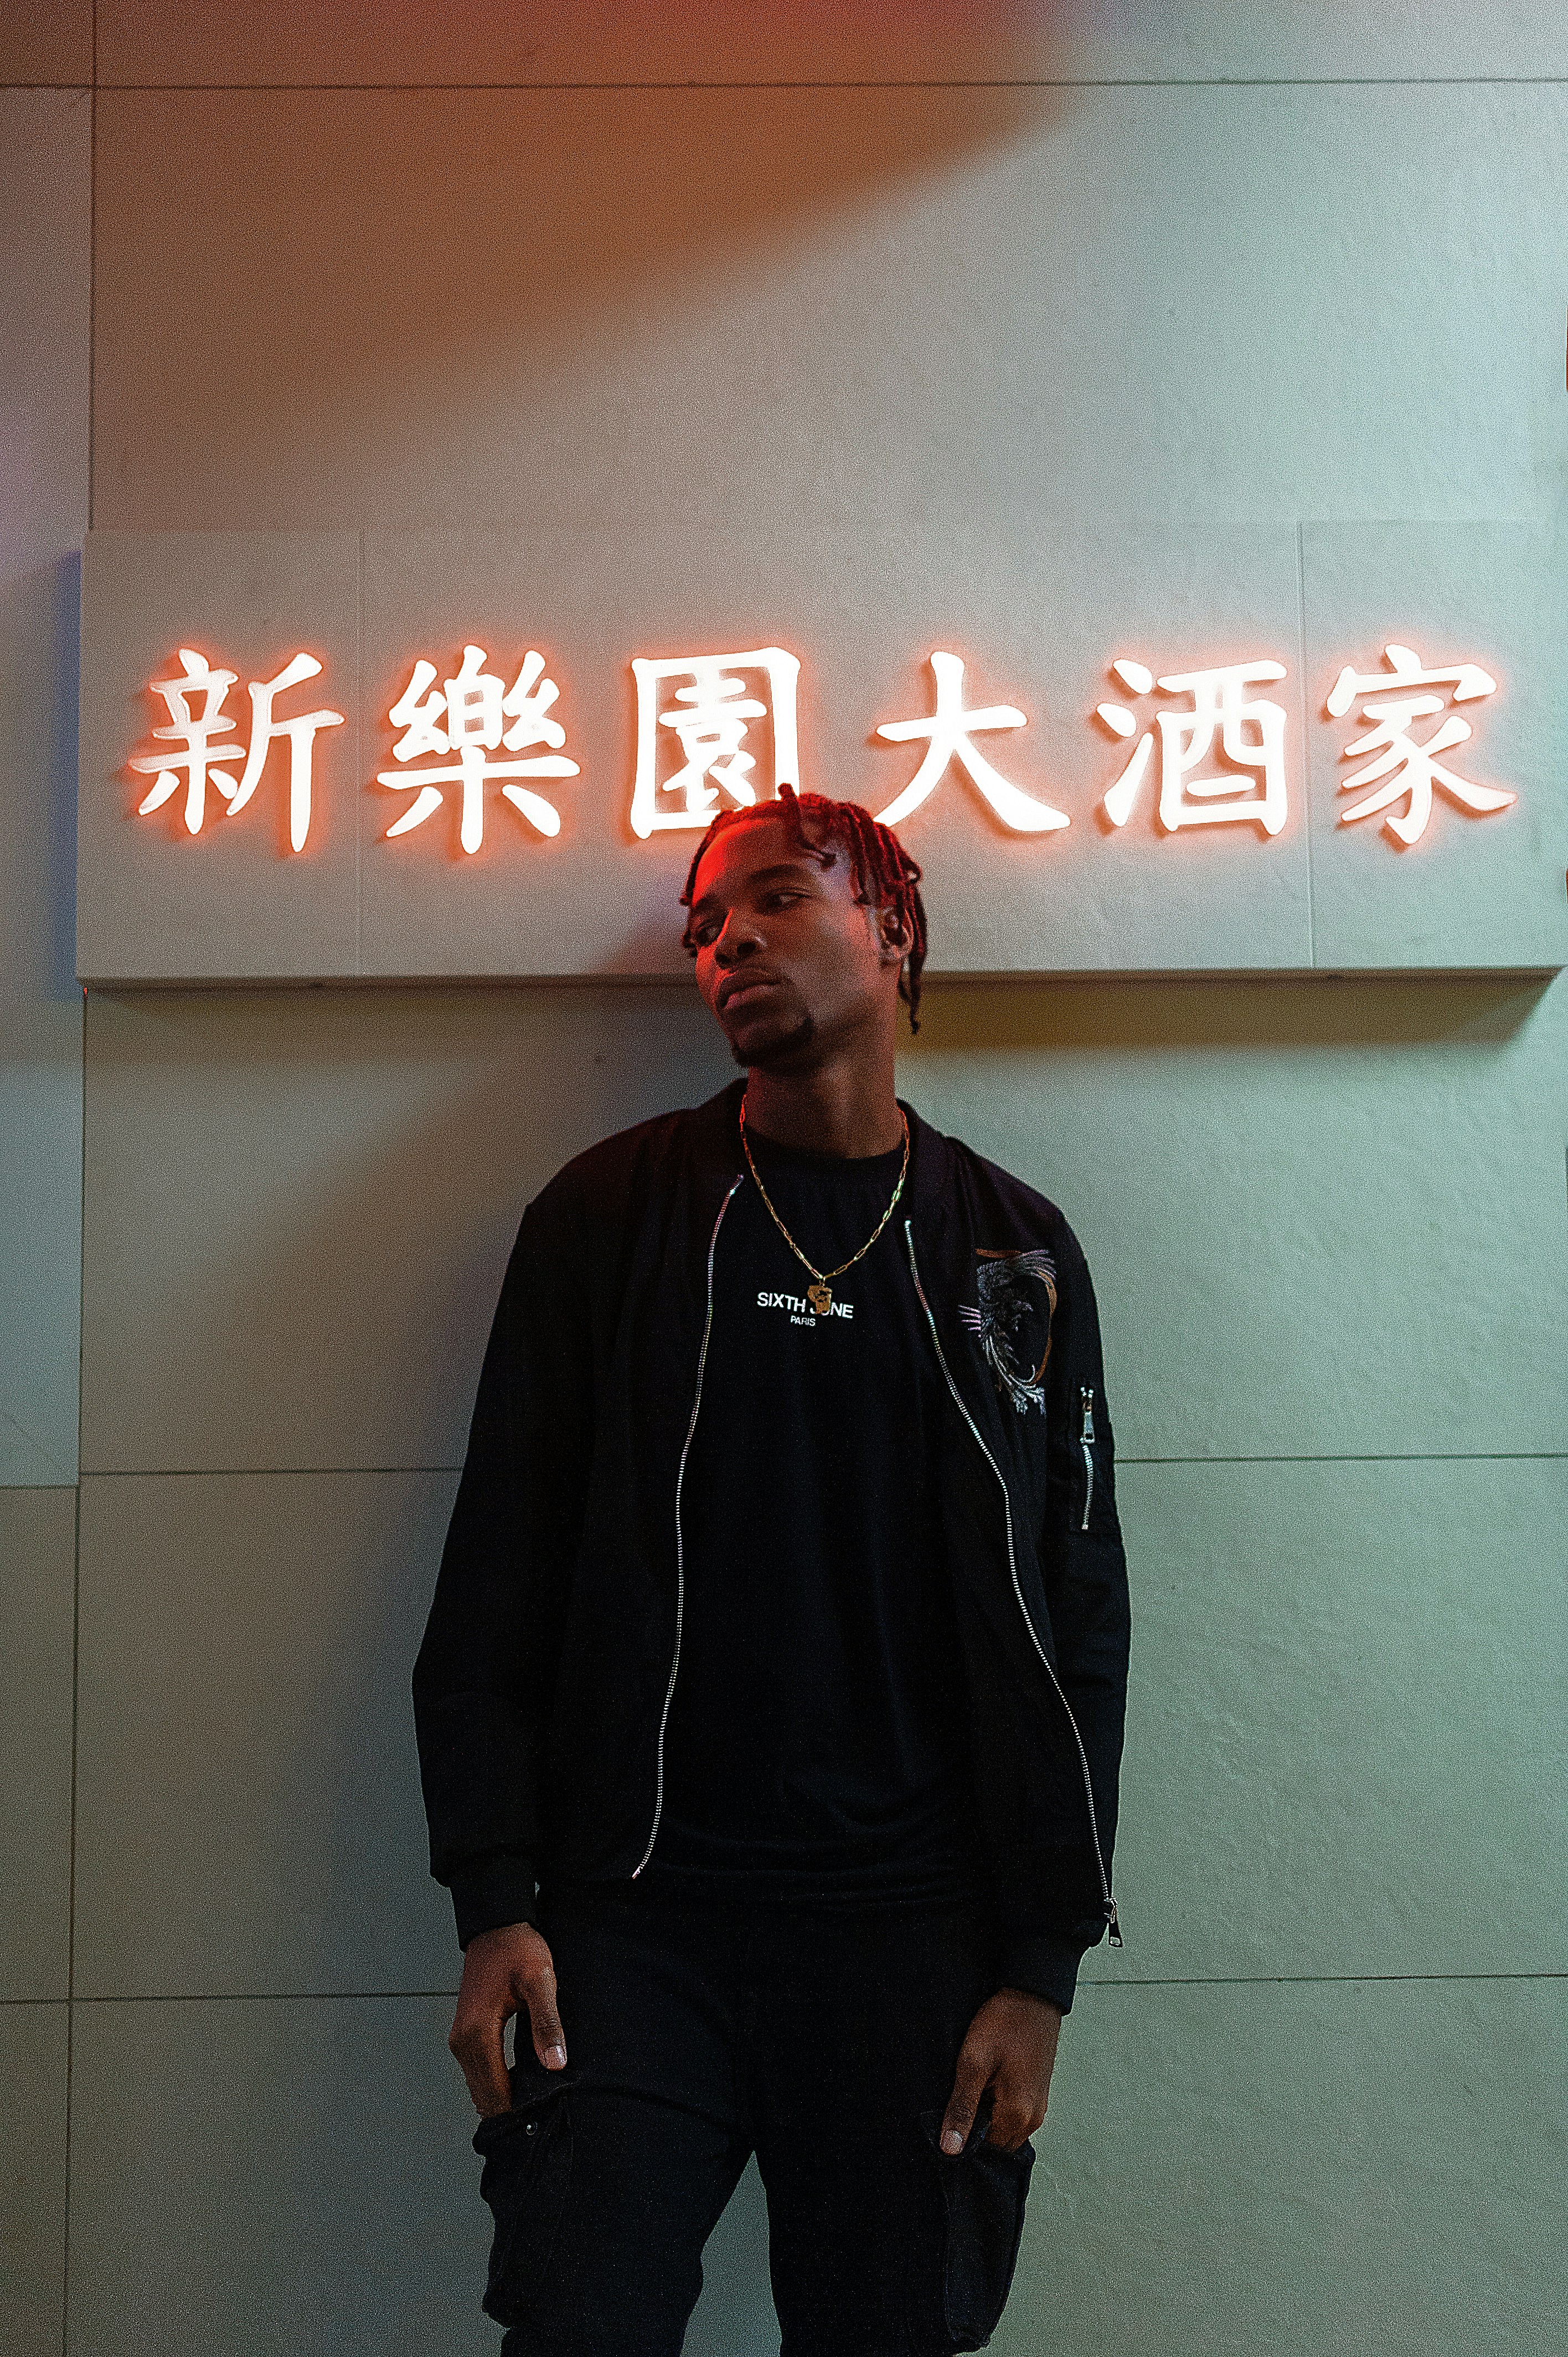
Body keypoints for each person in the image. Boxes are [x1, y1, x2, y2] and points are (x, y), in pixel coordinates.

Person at [412, 786, 1130, 2357]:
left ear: (893, 929)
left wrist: (1039, 1970)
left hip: (914, 1943)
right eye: (703, 925)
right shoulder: (608, 1221)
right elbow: (494, 1586)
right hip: (628, 1933)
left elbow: (1081, 1622)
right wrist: (494, 1896)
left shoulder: (1013, 1254)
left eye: (778, 901)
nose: (729, 939)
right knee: (580, 2328)